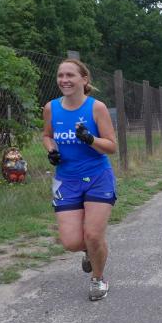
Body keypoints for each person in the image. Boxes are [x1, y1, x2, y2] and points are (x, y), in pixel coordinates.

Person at [42, 59, 117, 301]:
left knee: (93, 235)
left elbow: (111, 146)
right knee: (72, 242)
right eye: (60, 75)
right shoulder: (51, 108)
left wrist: (90, 139)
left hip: (97, 177)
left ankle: (98, 278)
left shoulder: (97, 108)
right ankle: (89, 250)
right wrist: (51, 150)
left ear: (84, 80)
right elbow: (47, 135)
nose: (64, 80)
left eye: (70, 75)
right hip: (67, 180)